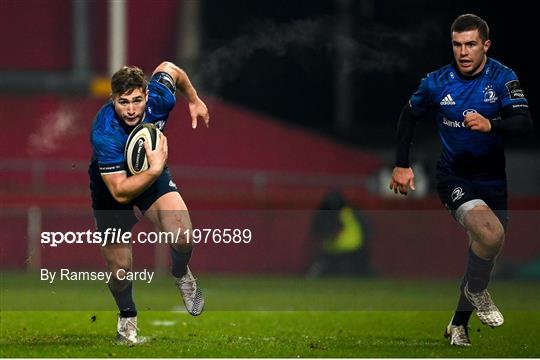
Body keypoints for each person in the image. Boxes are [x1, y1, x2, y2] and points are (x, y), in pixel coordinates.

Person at [389, 14, 533, 346]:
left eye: (470, 44)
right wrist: (401, 164)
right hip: (454, 175)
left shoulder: (502, 77)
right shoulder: (437, 82)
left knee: (486, 247)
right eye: (457, 44)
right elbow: (408, 116)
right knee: (489, 233)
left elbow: (524, 122)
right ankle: (478, 291)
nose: (463, 52)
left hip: (493, 180)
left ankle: (458, 323)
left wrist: (491, 125)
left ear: (485, 45)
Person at [89, 61, 210, 344]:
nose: (131, 109)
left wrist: (193, 98)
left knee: (182, 233)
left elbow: (172, 69)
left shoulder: (160, 97)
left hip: (150, 173)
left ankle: (180, 273)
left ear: (147, 94)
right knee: (120, 269)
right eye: (123, 102)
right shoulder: (105, 131)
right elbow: (119, 192)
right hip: (113, 186)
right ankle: (127, 316)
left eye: (136, 100)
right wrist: (155, 169)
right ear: (112, 100)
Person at [307, 191, 372, 276]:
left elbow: (328, 231)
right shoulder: (351, 212)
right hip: (345, 250)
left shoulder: (341, 213)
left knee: (342, 274)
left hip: (348, 252)